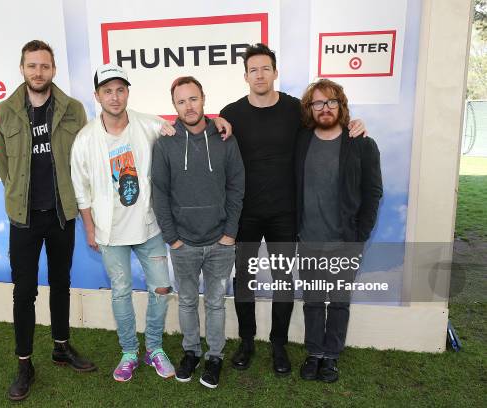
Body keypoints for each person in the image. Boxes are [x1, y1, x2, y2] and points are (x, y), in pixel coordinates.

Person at [70, 64, 231, 382]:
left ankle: (154, 348)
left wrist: (220, 121)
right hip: (109, 231)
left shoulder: (149, 125)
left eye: (120, 90)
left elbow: (190, 124)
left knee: (161, 288)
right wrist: (89, 228)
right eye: (107, 91)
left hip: (149, 228)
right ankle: (129, 351)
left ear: (128, 92)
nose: (114, 97)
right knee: (120, 292)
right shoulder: (85, 140)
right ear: (97, 96)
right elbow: (81, 191)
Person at [219, 43, 367, 376]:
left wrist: (356, 123)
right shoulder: (231, 113)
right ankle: (246, 342)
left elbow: (326, 126)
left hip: (285, 213)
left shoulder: (293, 110)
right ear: (245, 76)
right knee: (245, 280)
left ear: (275, 72)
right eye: (253, 69)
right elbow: (213, 145)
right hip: (246, 212)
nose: (259, 74)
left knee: (284, 281)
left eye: (265, 68)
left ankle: (278, 345)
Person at [0, 40, 96, 402]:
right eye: (32, 65)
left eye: (45, 66)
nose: (38, 72)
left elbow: (83, 160)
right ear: (22, 69)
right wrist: (18, 196)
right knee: (24, 292)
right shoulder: (4, 112)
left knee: (61, 283)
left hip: (61, 215)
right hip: (23, 219)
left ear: (53, 70)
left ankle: (61, 347)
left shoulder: (73, 110)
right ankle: (24, 364)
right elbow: (3, 163)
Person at [152, 76, 245, 389]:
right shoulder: (164, 142)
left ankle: (214, 356)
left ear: (203, 98)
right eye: (181, 101)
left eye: (193, 99)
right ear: (174, 106)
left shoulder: (224, 137)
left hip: (221, 242)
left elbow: (236, 186)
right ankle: (191, 352)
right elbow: (159, 193)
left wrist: (230, 232)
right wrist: (173, 239)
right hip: (184, 244)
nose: (188, 106)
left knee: (216, 303)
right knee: (188, 302)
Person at [295, 78, 382, 382]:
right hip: (308, 240)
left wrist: (360, 236)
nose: (325, 108)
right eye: (318, 102)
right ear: (310, 108)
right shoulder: (301, 141)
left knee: (340, 302)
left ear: (341, 106)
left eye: (332, 101)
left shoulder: (362, 144)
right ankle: (314, 353)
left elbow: (373, 194)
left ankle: (331, 357)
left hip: (345, 241)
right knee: (314, 301)